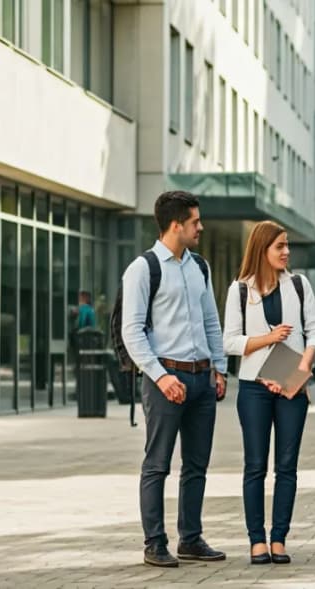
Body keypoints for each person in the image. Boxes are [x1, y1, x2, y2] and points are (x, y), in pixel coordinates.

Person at [121, 191, 227, 567]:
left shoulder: (199, 266)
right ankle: (154, 542)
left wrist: (220, 367)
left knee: (197, 465)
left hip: (202, 380)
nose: (201, 227)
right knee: (158, 465)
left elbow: (211, 321)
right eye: (195, 222)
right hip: (165, 380)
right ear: (176, 225)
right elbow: (132, 332)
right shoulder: (143, 268)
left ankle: (191, 539)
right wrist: (161, 377)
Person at [223, 221, 315, 565]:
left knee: (287, 466)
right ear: (262, 249)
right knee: (255, 466)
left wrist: (300, 370)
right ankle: (256, 541)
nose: (286, 251)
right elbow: (230, 341)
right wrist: (269, 338)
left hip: (292, 387)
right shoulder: (239, 289)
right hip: (253, 389)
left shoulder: (298, 284)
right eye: (279, 246)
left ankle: (279, 539)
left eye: (287, 245)